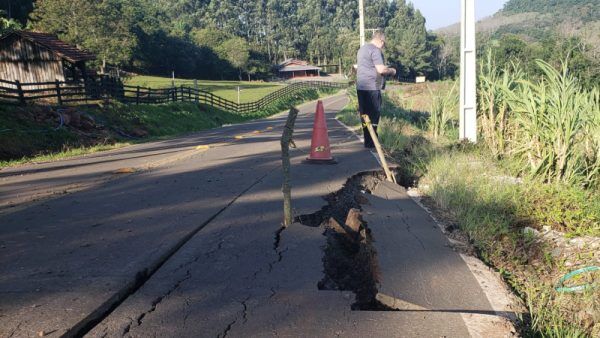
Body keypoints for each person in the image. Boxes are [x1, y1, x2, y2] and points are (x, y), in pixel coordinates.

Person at [356, 31, 396, 148]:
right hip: (372, 88)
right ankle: (372, 142)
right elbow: (381, 70)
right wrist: (392, 71)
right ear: (381, 41)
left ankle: (368, 141)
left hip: (361, 87)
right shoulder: (375, 50)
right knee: (374, 115)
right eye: (384, 44)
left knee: (364, 115)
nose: (383, 47)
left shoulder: (362, 49)